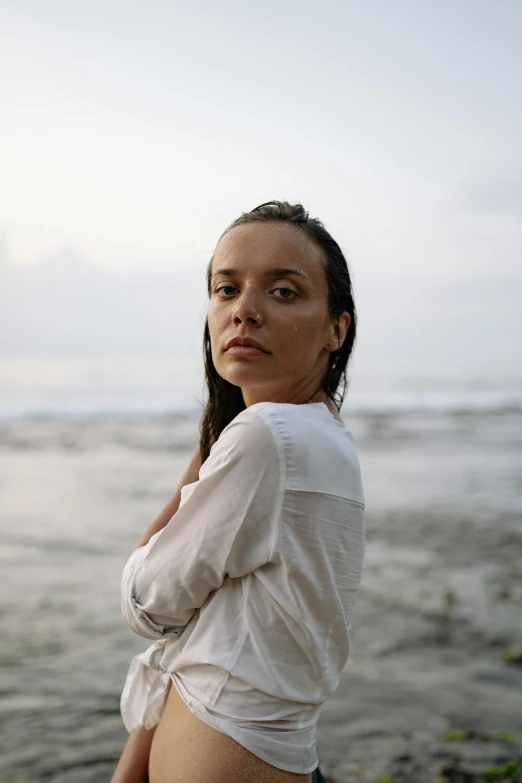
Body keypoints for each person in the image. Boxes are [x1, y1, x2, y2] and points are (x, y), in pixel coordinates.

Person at [110, 201, 366, 783]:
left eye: (282, 292)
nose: (244, 311)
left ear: (336, 328)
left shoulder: (266, 437)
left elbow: (147, 603)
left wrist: (211, 444)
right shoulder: (324, 437)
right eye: (226, 289)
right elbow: (205, 634)